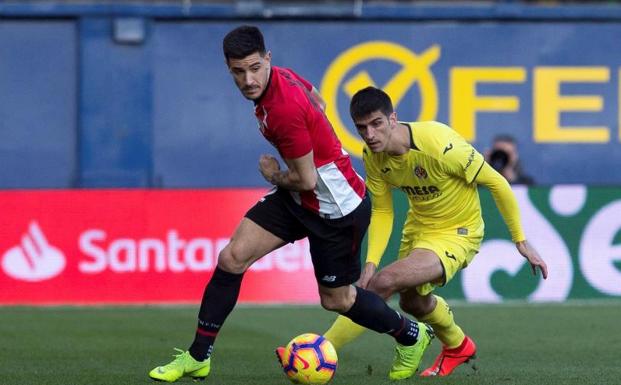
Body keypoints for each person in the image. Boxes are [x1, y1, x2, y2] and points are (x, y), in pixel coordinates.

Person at [149, 26, 433, 383]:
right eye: (239, 71)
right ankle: (197, 357)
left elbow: (307, 179)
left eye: (254, 68)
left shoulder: (283, 109)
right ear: (229, 69)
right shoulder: (281, 77)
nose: (248, 79)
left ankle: (411, 334)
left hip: (336, 208)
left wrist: (272, 173)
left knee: (338, 300)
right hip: (302, 198)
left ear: (267, 60)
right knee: (232, 258)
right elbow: (320, 102)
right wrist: (315, 135)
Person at [323, 86, 548, 377]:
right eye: (361, 128)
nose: (370, 135)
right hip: (418, 229)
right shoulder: (373, 155)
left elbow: (497, 182)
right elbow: (382, 210)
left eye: (376, 123)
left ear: (393, 119)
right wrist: (370, 261)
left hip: (458, 232)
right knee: (412, 301)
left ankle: (323, 347)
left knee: (382, 284)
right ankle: (458, 344)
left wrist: (520, 240)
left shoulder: (439, 144)